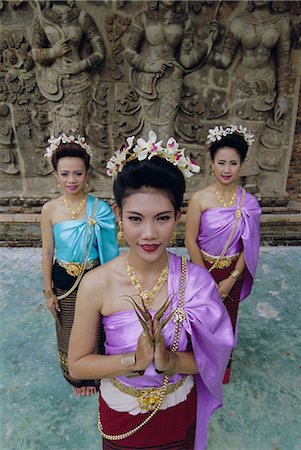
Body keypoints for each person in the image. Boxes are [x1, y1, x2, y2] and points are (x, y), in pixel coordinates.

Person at [68, 130, 234, 450]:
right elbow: (78, 364)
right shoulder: (97, 283)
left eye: (162, 218)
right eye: (134, 218)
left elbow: (213, 358)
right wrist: (133, 360)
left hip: (176, 408)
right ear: (117, 215)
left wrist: (168, 361)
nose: (149, 233)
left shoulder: (196, 282)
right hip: (122, 412)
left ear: (177, 218)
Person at [41, 132, 119, 396]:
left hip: (94, 277)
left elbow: (110, 252)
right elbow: (48, 251)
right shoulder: (50, 209)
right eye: (64, 174)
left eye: (77, 173)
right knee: (68, 327)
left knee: (95, 327)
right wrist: (48, 291)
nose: (71, 180)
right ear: (56, 175)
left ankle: (96, 374)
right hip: (63, 278)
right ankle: (77, 378)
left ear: (88, 173)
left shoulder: (101, 210)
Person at [185, 124, 261, 384]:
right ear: (212, 164)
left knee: (226, 320)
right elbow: (190, 240)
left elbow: (249, 246)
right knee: (200, 319)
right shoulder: (199, 199)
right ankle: (196, 365)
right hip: (201, 269)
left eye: (233, 163)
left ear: (241, 165)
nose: (226, 170)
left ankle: (221, 369)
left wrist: (232, 278)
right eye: (221, 163)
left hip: (233, 271)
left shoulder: (248, 203)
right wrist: (205, 277)